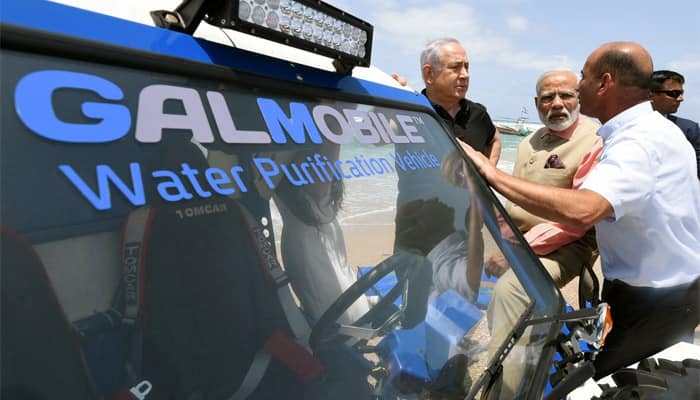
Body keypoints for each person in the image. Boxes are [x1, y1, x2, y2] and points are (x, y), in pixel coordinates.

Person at [462, 41, 700, 380]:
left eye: (582, 77)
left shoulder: (638, 142)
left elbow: (584, 210)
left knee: (619, 383)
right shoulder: (645, 131)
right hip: (652, 292)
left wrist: (491, 174)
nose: (578, 85)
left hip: (657, 301)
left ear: (604, 83)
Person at [419, 37, 501, 164]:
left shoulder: (478, 114)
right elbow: (379, 140)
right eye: (455, 67)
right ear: (429, 74)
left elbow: (494, 139)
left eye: (466, 67)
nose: (465, 75)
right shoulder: (410, 110)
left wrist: (489, 173)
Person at [649, 70, 700, 180]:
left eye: (681, 93)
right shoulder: (626, 126)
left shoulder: (689, 130)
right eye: (674, 94)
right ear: (650, 95)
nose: (681, 98)